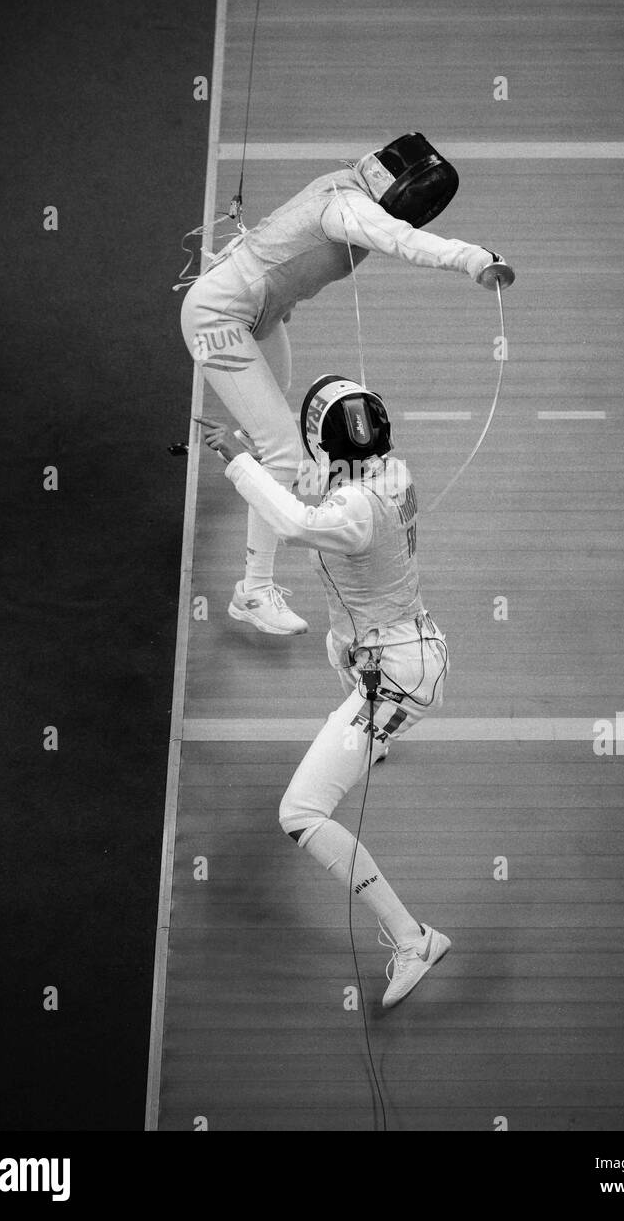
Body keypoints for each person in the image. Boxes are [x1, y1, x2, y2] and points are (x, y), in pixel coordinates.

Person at [181, 132, 514, 636]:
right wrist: (475, 259)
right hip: (217, 318)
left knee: (279, 396)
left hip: (258, 315)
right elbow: (402, 241)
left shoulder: (345, 185)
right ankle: (252, 591)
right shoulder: (347, 208)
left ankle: (252, 451)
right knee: (284, 454)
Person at [199, 374, 451, 1007]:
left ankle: (415, 938)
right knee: (336, 647)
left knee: (300, 813)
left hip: (395, 679)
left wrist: (240, 461)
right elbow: (324, 497)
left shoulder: (353, 510)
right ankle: (375, 740)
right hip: (395, 649)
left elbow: (291, 521)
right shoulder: (390, 475)